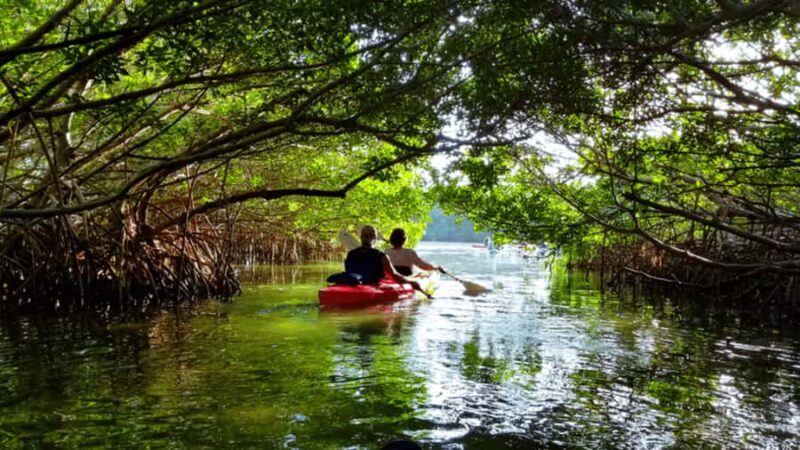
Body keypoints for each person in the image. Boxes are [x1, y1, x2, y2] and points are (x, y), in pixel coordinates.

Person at [345, 225, 424, 292]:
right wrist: (412, 282)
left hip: (354, 285)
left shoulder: (350, 254)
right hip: (372, 287)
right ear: (375, 238)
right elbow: (395, 277)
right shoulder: (381, 256)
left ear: (361, 237)